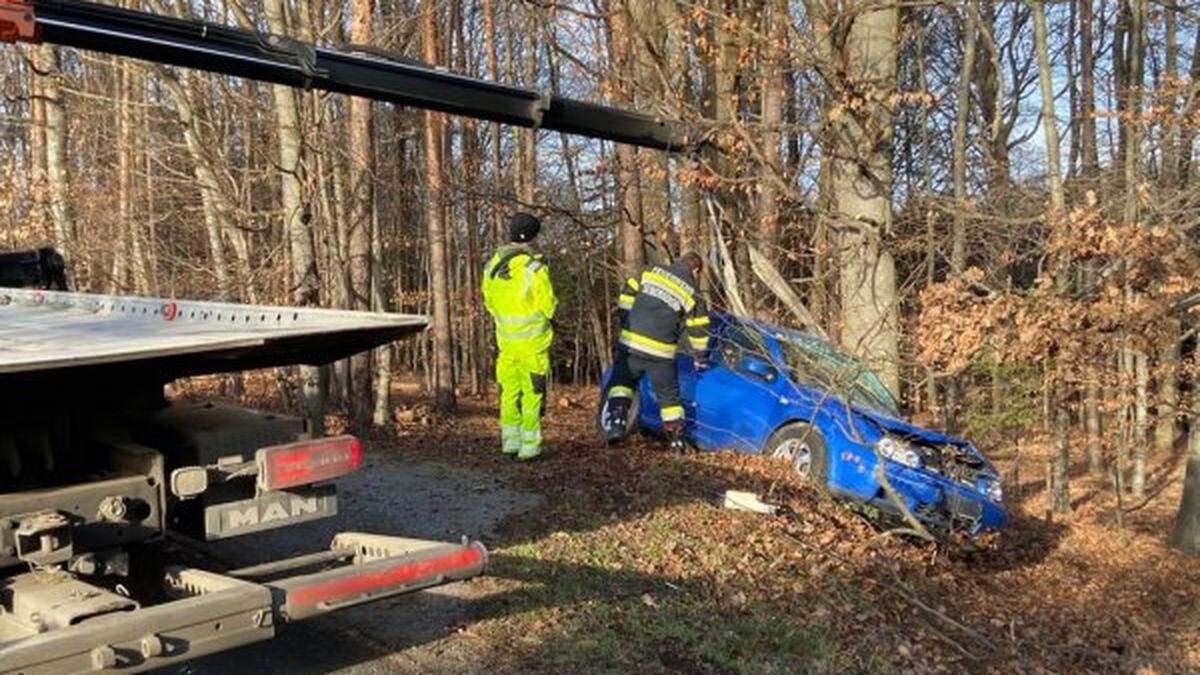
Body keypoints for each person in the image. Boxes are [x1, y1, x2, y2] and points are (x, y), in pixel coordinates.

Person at [602, 251, 710, 452]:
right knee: (669, 398)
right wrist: (700, 356)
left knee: (622, 383)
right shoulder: (693, 294)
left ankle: (616, 423)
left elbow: (626, 295)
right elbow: (699, 331)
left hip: (632, 343)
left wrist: (627, 320)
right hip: (661, 353)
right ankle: (677, 442)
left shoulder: (651, 272)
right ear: (695, 270)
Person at [482, 213, 557, 460]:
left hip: (506, 343)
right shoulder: (534, 269)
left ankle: (510, 443)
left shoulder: (493, 265)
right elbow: (548, 306)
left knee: (509, 394)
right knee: (532, 396)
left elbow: (489, 302)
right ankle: (530, 447)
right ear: (533, 237)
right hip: (533, 345)